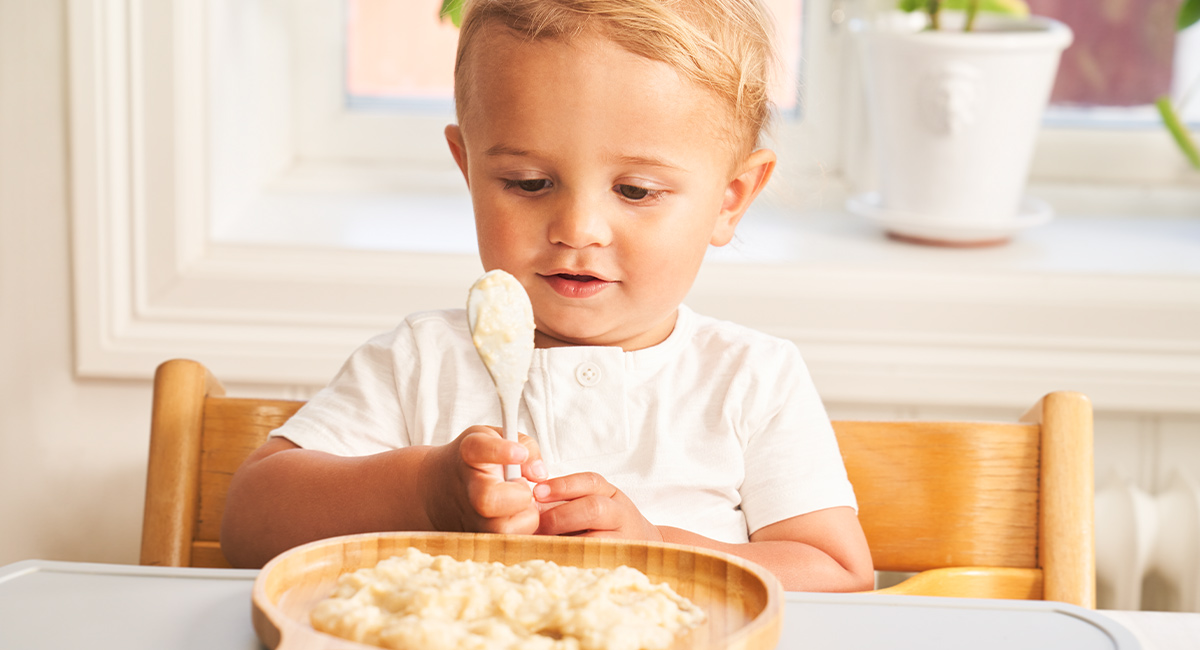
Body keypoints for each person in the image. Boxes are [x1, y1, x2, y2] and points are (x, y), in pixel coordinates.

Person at [221, 0, 874, 591]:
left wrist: (658, 548)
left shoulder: (748, 379)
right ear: (468, 167)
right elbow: (249, 523)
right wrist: (426, 494)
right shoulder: (423, 362)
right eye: (530, 182)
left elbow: (839, 573)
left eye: (636, 191)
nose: (578, 229)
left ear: (731, 200)